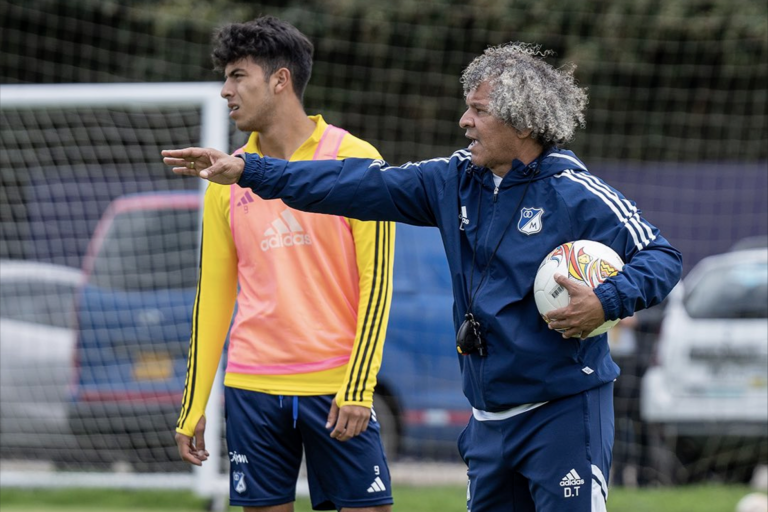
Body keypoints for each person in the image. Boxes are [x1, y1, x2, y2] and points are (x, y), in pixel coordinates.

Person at [164, 42, 683, 512]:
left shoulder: (577, 192)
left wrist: (605, 301)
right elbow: (354, 184)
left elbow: (661, 256)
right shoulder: (454, 179)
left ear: (522, 123)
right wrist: (252, 172)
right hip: (487, 420)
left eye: (478, 110)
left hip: (564, 414)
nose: (464, 121)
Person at [171, 16, 395, 512]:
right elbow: (213, 297)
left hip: (335, 387)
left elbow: (376, 285)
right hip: (252, 388)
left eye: (237, 76)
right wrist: (194, 403)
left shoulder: (355, 159)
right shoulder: (224, 179)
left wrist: (358, 386)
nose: (225, 90)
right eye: (224, 77)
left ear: (280, 80)